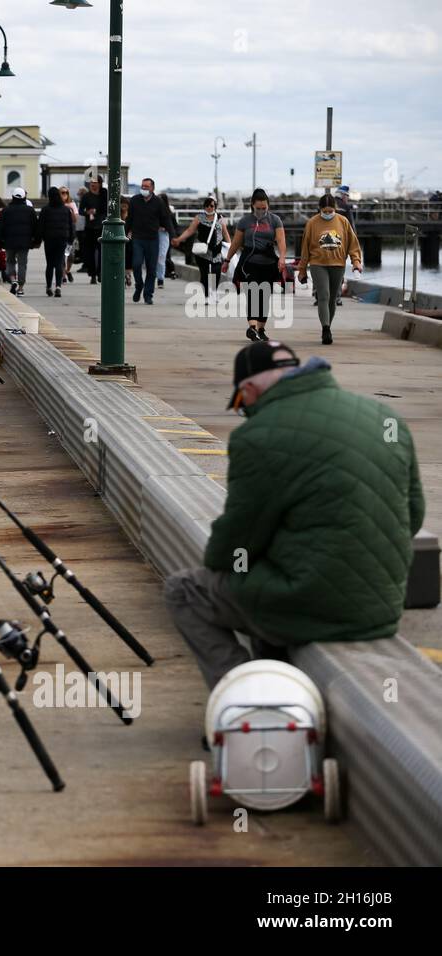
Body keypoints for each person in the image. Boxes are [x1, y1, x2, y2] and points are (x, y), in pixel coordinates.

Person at [164, 340, 424, 689]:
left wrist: (226, 559)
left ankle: (246, 696)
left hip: (309, 606)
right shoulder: (385, 417)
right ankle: (279, 682)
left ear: (250, 388)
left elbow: (236, 543)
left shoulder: (257, 436)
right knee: (266, 583)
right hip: (382, 609)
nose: (244, 411)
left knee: (184, 591)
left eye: (241, 403)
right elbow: (414, 515)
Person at [221, 188, 287, 341]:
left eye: (264, 208)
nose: (261, 211)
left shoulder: (275, 220)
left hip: (269, 263)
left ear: (268, 206)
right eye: (258, 208)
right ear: (252, 205)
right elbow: (236, 242)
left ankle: (261, 329)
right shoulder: (245, 221)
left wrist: (282, 258)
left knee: (264, 297)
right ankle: (252, 328)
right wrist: (227, 260)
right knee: (252, 295)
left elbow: (281, 241)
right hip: (249, 263)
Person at [296, 194, 363, 345]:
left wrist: (356, 262)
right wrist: (302, 270)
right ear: (320, 209)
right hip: (317, 264)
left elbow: (353, 244)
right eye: (324, 211)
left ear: (335, 209)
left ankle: (328, 326)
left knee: (333, 298)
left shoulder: (343, 221)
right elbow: (305, 248)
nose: (327, 213)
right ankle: (325, 328)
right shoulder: (312, 223)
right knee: (324, 296)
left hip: (338, 264)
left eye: (330, 211)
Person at [172, 196, 232, 298]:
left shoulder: (220, 218)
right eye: (207, 206)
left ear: (215, 207)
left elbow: (225, 233)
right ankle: (207, 296)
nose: (209, 208)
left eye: (212, 206)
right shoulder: (199, 218)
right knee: (204, 274)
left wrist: (231, 246)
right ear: (204, 206)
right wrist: (178, 239)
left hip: (216, 250)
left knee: (216, 272)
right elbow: (189, 231)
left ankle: (214, 293)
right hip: (202, 251)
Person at [127, 177, 175, 304]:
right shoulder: (134, 200)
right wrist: (125, 233)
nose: (144, 188)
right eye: (142, 186)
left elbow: (166, 219)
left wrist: (173, 236)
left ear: (152, 188)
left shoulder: (158, 202)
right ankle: (139, 286)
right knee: (136, 264)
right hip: (137, 238)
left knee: (151, 269)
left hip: (153, 239)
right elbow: (129, 219)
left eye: (146, 187)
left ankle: (148, 295)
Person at [0, 187, 38, 294]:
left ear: (13, 197)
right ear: (24, 197)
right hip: (25, 242)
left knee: (10, 261)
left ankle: (12, 279)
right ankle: (20, 287)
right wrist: (36, 241)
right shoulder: (30, 210)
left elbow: (0, 227)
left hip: (9, 242)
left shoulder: (6, 210)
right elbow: (35, 227)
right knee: (22, 263)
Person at [36, 186, 75, 298]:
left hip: (49, 239)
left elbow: (40, 226)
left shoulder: (45, 210)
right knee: (59, 263)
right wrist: (71, 239)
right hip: (62, 239)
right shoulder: (66, 210)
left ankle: (49, 287)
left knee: (50, 264)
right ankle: (58, 286)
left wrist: (38, 240)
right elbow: (71, 226)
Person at [78, 175, 107, 282]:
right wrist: (87, 212)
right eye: (91, 182)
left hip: (101, 226)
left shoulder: (104, 195)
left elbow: (108, 209)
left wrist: (99, 213)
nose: (93, 184)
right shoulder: (86, 196)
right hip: (89, 227)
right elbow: (80, 210)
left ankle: (100, 273)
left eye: (95, 182)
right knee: (89, 252)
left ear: (99, 183)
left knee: (101, 252)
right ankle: (92, 274)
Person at [156, 192, 178, 288]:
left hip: (165, 235)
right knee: (153, 257)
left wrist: (167, 230)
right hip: (152, 235)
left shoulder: (169, 213)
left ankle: (161, 278)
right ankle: (156, 276)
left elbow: (174, 227)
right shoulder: (153, 211)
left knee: (162, 256)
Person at [59, 186, 79, 283]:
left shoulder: (72, 204)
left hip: (71, 232)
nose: (64, 195)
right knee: (62, 255)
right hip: (61, 232)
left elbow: (75, 220)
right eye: (62, 193)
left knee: (71, 255)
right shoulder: (57, 205)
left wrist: (70, 209)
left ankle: (67, 271)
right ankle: (63, 275)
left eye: (66, 193)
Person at [120, 197, 133, 286]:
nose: (124, 206)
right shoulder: (117, 215)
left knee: (129, 258)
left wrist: (130, 233)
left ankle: (128, 275)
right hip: (120, 240)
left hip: (130, 240)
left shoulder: (132, 215)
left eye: (126, 204)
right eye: (122, 204)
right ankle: (124, 276)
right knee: (121, 258)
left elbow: (134, 226)